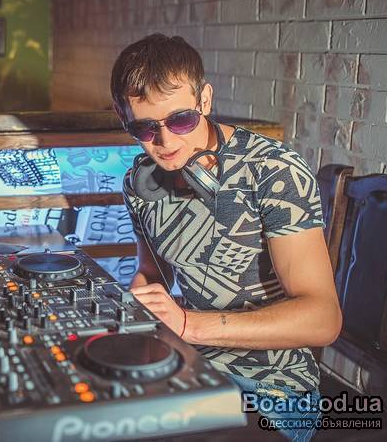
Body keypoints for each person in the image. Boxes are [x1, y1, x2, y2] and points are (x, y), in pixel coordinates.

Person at [111, 33, 342, 441]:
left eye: (180, 120)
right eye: (144, 128)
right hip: (186, 368)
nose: (165, 141)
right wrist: (136, 311)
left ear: (204, 100)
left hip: (273, 390)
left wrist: (188, 324)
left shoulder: (274, 171)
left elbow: (323, 319)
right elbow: (151, 272)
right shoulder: (140, 183)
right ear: (122, 117)